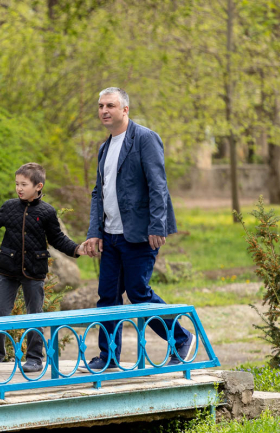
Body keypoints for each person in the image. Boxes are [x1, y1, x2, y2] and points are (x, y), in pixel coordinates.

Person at [83, 87, 195, 370]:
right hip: (110, 236)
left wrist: (157, 225)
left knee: (138, 293)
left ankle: (181, 338)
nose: (104, 111)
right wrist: (94, 231)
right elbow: (98, 193)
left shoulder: (145, 138)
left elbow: (158, 185)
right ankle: (108, 357)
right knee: (108, 297)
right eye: (101, 106)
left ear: (125, 109)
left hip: (140, 233)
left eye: (110, 105)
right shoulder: (104, 147)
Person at [0, 162, 87, 373]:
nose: (19, 188)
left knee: (34, 315)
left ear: (38, 186)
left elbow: (57, 238)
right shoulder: (9, 207)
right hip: (8, 269)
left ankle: (35, 358)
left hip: (34, 271)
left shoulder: (47, 212)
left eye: (24, 184)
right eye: (17, 184)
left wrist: (77, 249)